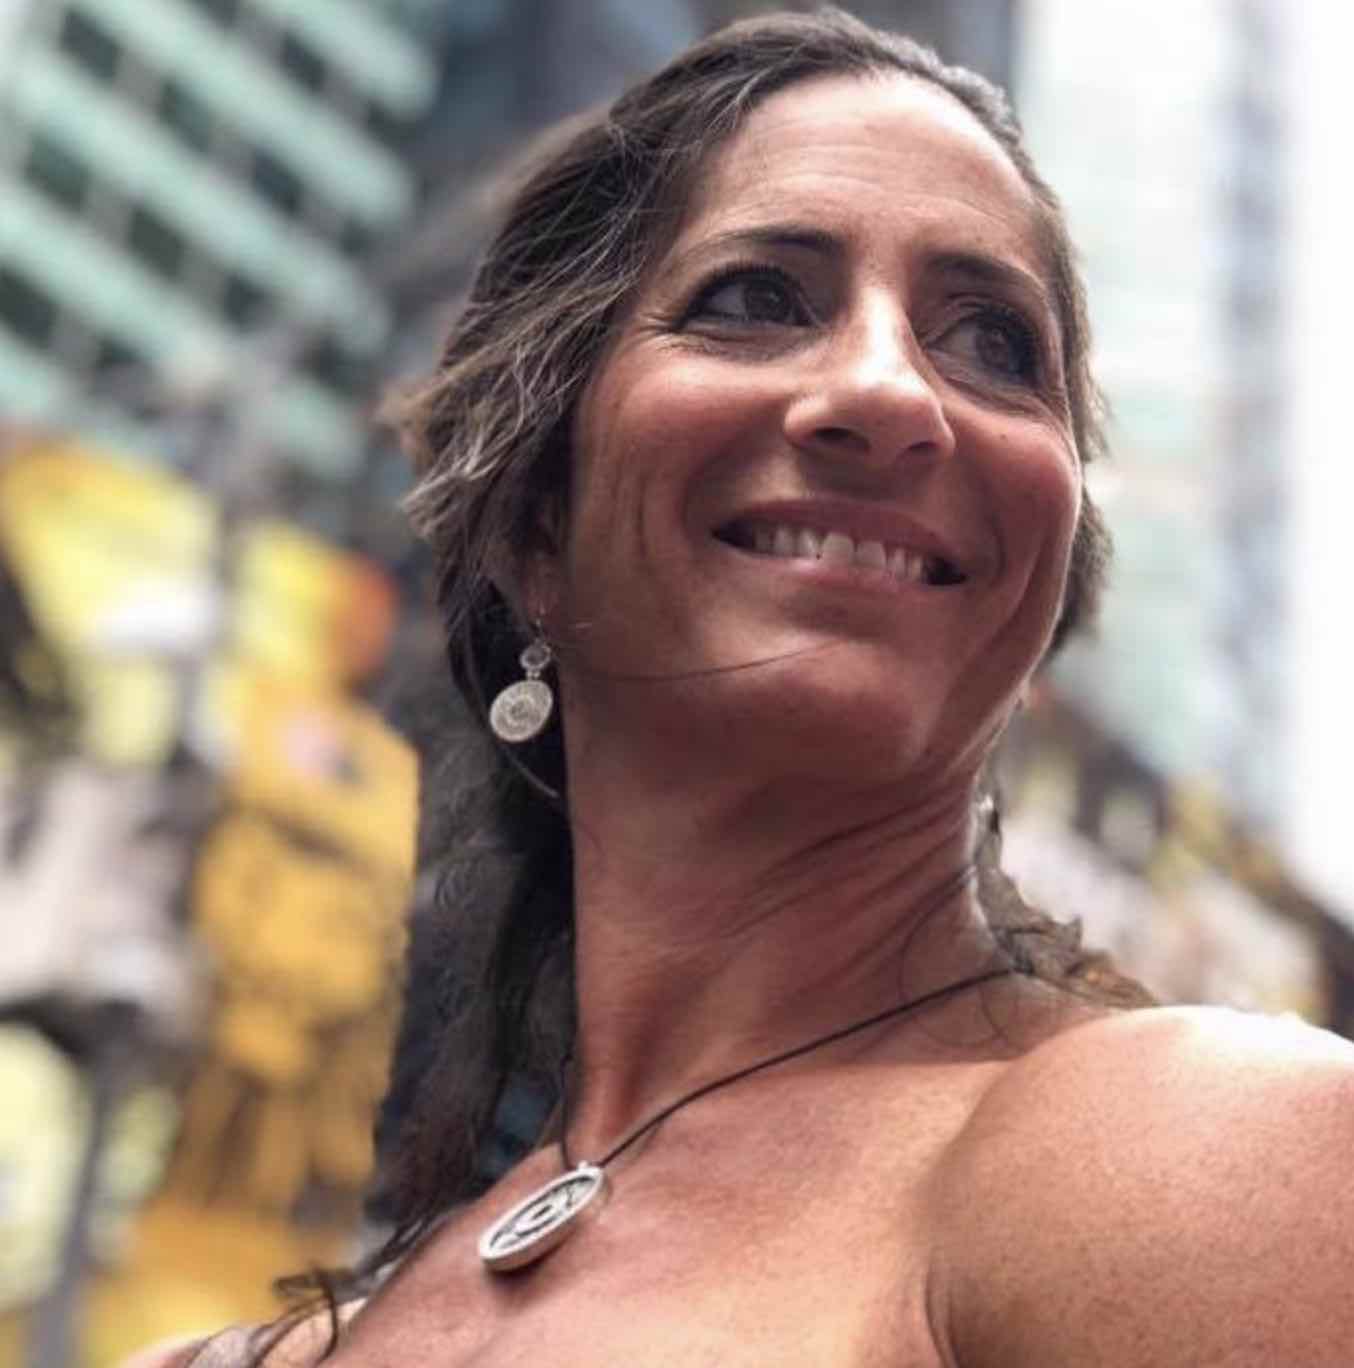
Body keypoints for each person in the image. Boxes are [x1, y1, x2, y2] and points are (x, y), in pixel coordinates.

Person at [133, 9, 1354, 1365]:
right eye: (755, 300)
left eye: (996, 344)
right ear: (536, 519)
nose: (892, 391)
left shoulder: (1200, 1152)